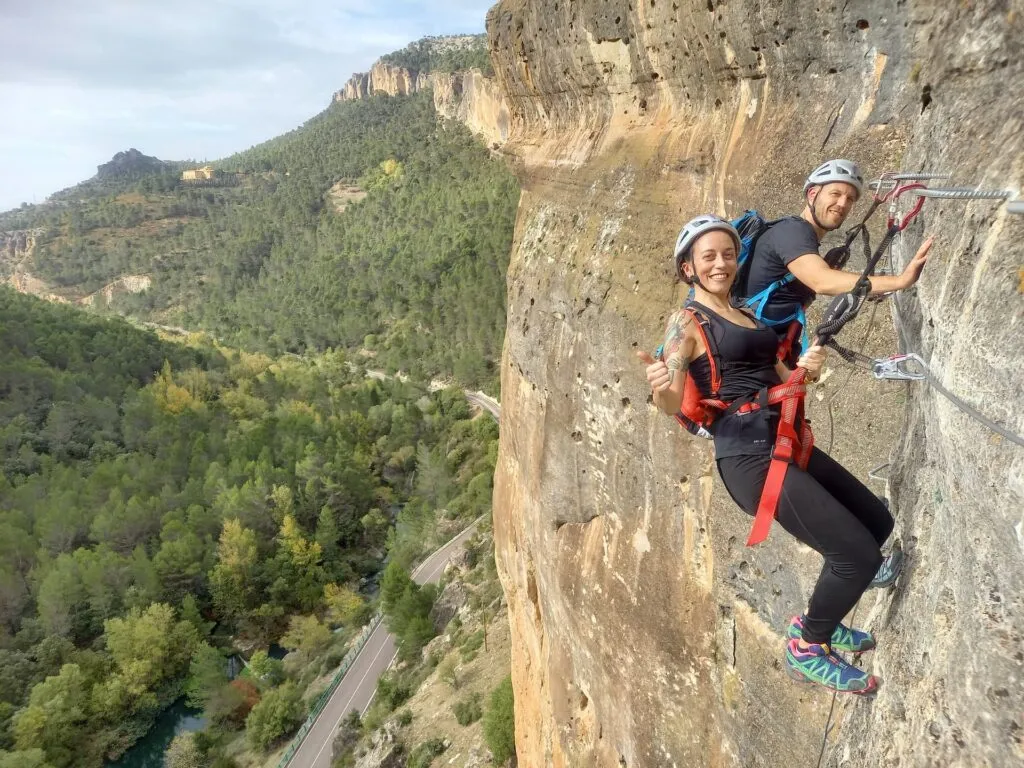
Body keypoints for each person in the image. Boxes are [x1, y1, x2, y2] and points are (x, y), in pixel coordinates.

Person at [637, 214, 924, 693]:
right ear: (688, 268)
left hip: (785, 436)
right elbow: (669, 403)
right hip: (749, 457)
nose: (720, 263)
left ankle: (827, 620)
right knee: (856, 556)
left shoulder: (747, 314)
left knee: (878, 525)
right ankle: (808, 645)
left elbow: (781, 375)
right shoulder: (685, 322)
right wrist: (662, 386)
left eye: (727, 254)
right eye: (707, 256)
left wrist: (804, 369)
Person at [742, 159, 933, 330]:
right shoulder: (793, 232)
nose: (842, 203)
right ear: (812, 194)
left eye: (850, 199)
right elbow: (822, 281)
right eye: (835, 194)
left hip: (767, 349)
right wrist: (901, 280)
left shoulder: (803, 238)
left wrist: (872, 289)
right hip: (749, 354)